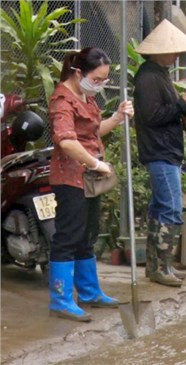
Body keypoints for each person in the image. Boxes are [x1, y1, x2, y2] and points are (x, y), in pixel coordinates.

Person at [48, 47, 134, 321]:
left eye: (104, 80)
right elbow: (66, 141)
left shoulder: (85, 96)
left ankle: (89, 292)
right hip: (70, 178)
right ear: (78, 72)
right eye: (96, 79)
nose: (100, 84)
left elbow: (93, 131)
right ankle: (61, 299)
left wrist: (117, 119)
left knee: (88, 235)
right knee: (68, 236)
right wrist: (96, 164)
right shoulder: (62, 99)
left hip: (89, 180)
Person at [133, 19, 186, 287]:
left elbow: (170, 112)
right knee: (171, 209)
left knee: (161, 208)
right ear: (160, 51)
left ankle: (159, 265)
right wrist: (181, 102)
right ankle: (161, 266)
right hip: (159, 151)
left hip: (166, 150)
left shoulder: (159, 73)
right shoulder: (149, 77)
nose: (176, 56)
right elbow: (154, 116)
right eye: (173, 51)